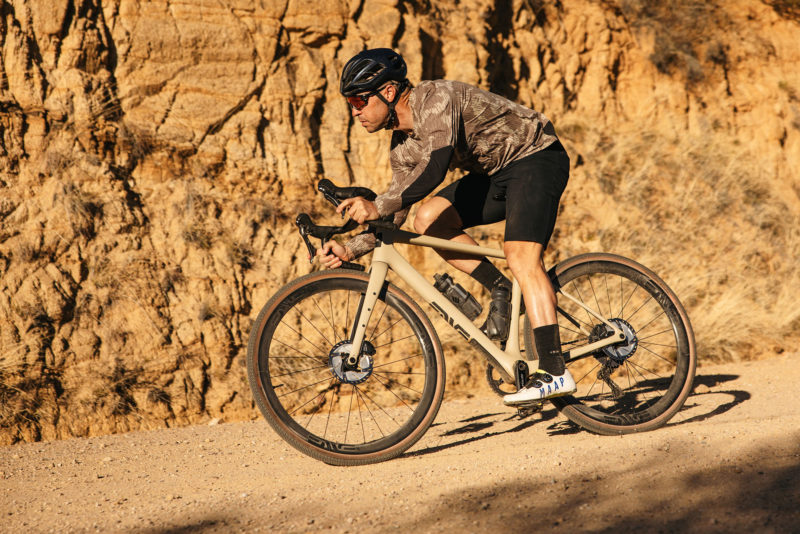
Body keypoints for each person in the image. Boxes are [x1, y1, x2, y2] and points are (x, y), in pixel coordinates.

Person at [316, 48, 575, 405]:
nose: (355, 111)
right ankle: (500, 289)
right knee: (427, 219)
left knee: (521, 256)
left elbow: (435, 167)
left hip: (536, 157)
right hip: (496, 174)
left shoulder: (434, 99)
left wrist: (376, 205)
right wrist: (351, 248)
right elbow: (398, 207)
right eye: (350, 103)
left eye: (360, 99)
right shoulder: (402, 147)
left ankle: (555, 371)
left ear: (388, 92)